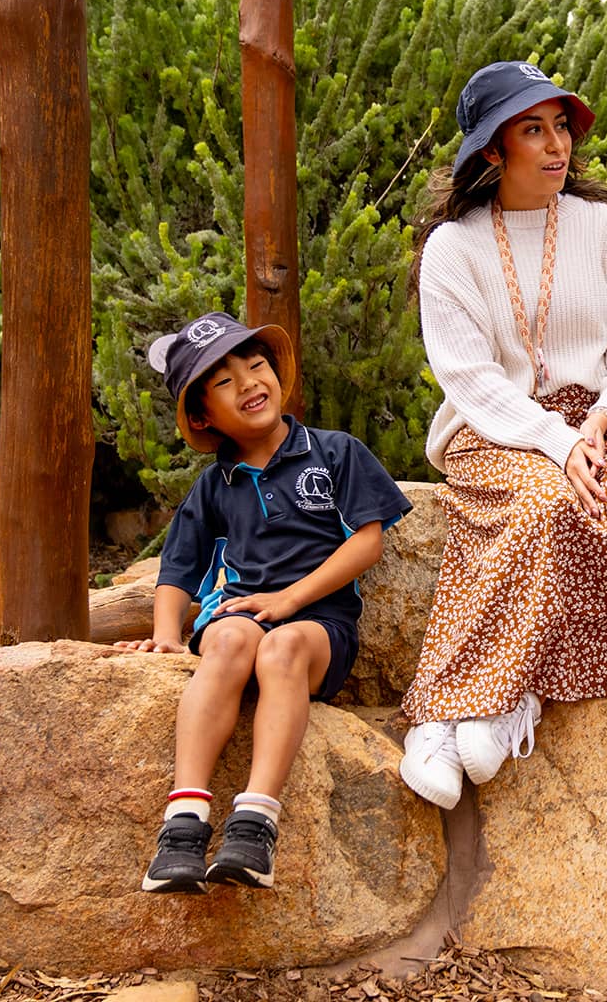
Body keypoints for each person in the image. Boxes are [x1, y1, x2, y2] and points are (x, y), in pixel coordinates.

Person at [397, 60, 607, 810]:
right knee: (538, 503)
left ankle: (512, 688)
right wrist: (555, 443)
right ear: (493, 150)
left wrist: (602, 416)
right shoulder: (451, 250)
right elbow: (469, 378)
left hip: (606, 416)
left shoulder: (606, 229)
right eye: (534, 130)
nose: (557, 145)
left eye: (561, 127)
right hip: (494, 425)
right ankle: (444, 710)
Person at [123, 312, 411, 893]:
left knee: (281, 648)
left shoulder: (333, 453)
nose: (250, 382)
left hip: (319, 626)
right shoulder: (214, 484)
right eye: (225, 381)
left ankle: (255, 825)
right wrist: (168, 634)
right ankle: (183, 824)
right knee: (228, 637)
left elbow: (368, 539)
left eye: (256, 366)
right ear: (204, 415)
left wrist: (289, 600)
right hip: (240, 616)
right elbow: (178, 567)